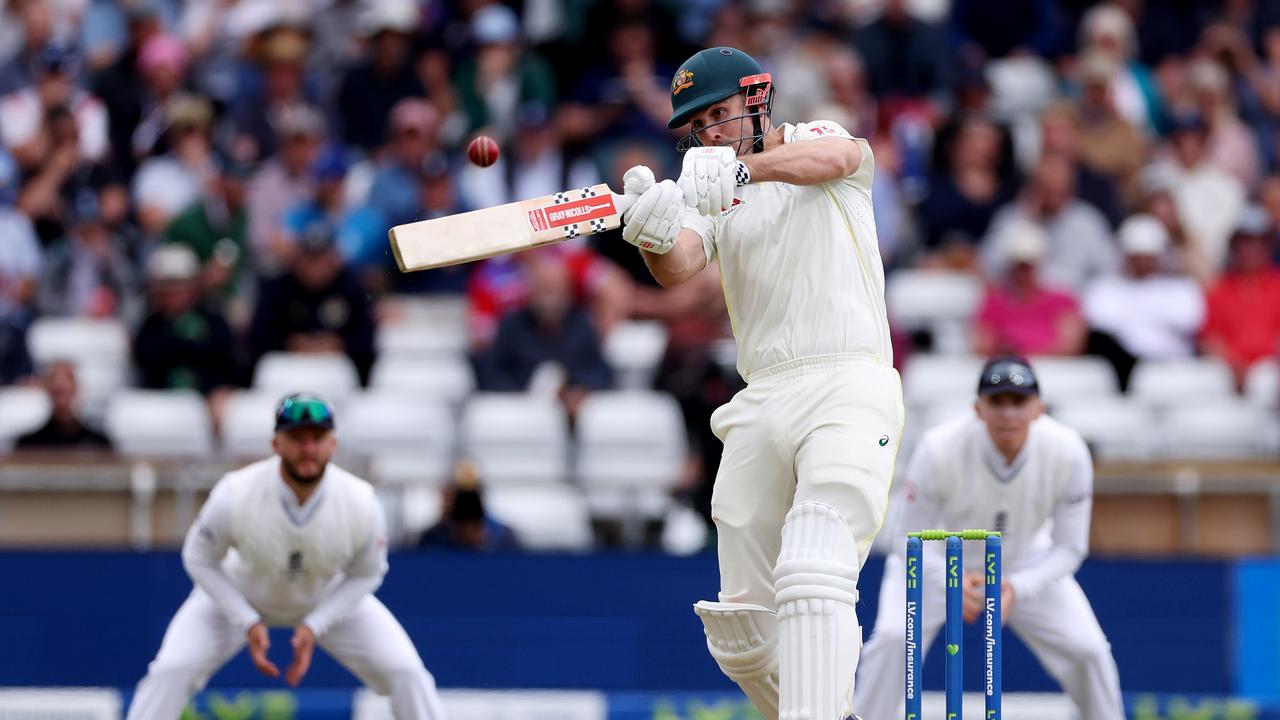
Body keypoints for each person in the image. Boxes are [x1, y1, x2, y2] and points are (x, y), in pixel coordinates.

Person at [621, 46, 903, 720]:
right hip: (761, 397)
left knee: (814, 569)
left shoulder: (814, 141)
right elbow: (679, 265)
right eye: (700, 125)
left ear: (757, 99)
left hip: (845, 382)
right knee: (741, 629)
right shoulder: (716, 196)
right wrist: (652, 231)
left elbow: (840, 161)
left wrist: (744, 167)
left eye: (720, 114)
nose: (712, 133)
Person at [125, 394, 447, 719]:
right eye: (297, 438)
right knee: (171, 670)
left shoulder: (360, 502)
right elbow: (198, 557)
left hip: (324, 597)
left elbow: (367, 574)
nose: (308, 449)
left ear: (333, 444)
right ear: (276, 443)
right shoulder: (236, 492)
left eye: (317, 438)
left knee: (408, 674)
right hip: (240, 594)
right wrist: (246, 619)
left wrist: (315, 625)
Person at [852, 357, 1124, 720]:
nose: (1007, 413)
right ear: (978, 409)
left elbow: (1070, 548)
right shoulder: (938, 448)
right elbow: (905, 538)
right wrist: (951, 582)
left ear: (1038, 408)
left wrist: (1016, 587)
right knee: (892, 639)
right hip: (939, 562)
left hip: (1025, 562)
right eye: (997, 402)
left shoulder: (1069, 452)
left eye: (1018, 402)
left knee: (1089, 650)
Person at [15, 361, 112, 450]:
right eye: (53, 379)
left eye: (68, 378)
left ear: (77, 386)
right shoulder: (28, 445)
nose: (60, 384)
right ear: (46, 387)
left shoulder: (99, 444)